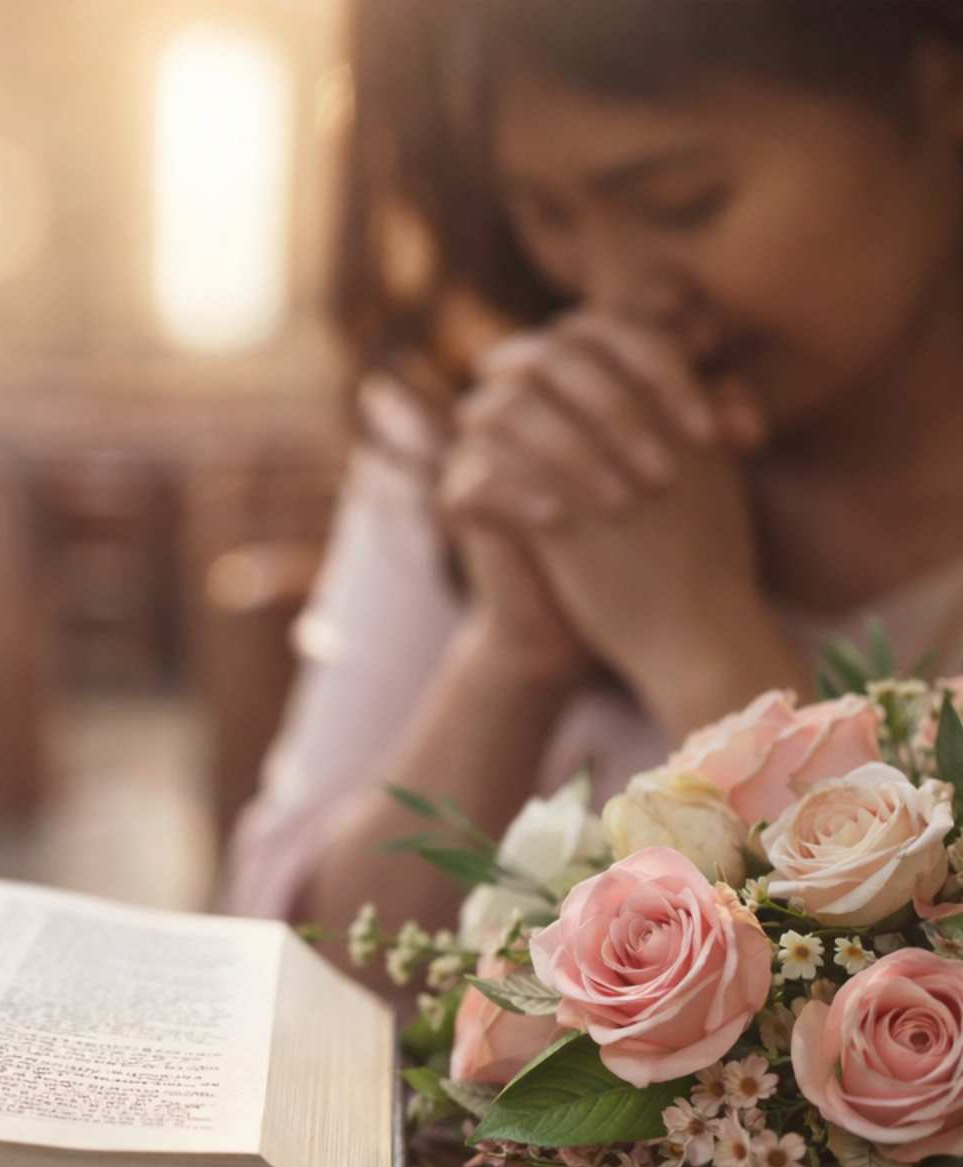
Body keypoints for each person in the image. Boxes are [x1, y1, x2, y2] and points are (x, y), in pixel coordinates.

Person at [224, 0, 963, 948]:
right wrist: (512, 652)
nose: (612, 293)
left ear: (941, 84)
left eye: (681, 201)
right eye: (545, 214)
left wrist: (700, 642)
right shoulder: (494, 435)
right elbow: (305, 974)